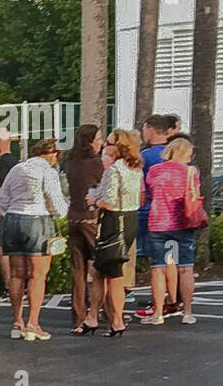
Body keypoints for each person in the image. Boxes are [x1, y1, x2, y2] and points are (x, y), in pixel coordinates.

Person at [0, 138, 68, 342]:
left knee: (16, 274)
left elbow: (3, 198)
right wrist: (61, 215)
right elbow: (55, 201)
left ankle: (17, 321)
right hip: (37, 220)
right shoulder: (48, 171)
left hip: (12, 219)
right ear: (53, 155)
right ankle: (33, 323)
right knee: (38, 275)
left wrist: (9, 212)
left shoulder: (18, 168)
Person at [84, 129, 143, 337]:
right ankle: (95, 317)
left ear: (118, 147)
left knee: (110, 273)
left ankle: (115, 320)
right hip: (130, 220)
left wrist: (94, 201)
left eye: (109, 143)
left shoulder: (114, 170)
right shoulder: (135, 168)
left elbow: (108, 202)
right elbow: (138, 198)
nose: (104, 147)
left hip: (113, 221)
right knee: (105, 271)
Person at [142, 137, 203, 326]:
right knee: (185, 268)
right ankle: (187, 312)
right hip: (183, 223)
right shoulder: (190, 172)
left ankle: (158, 313)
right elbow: (194, 194)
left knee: (158, 269)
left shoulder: (154, 170)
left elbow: (150, 190)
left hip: (158, 223)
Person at [134, 115, 180, 318]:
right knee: (171, 259)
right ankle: (173, 301)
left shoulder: (145, 157)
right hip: (175, 215)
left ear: (151, 130)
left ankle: (157, 305)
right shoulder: (176, 155)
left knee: (155, 264)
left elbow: (139, 187)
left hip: (150, 213)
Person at [64, 125, 106, 334]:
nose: (101, 142)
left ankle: (78, 316)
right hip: (92, 217)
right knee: (103, 265)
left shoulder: (70, 162)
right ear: (90, 142)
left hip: (74, 217)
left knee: (77, 270)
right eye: (98, 138)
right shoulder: (97, 163)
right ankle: (105, 311)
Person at [0, 127, 18, 294]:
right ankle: (15, 284)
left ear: (1, 141)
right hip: (13, 209)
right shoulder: (14, 161)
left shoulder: (2, 162)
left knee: (2, 248)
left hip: (2, 212)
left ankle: (8, 285)